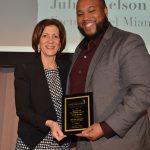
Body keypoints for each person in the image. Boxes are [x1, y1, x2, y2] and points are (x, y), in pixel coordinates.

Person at [66, 0, 150, 150]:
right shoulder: (80, 50)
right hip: (84, 144)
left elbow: (144, 91)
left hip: (121, 144)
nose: (85, 17)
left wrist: (106, 127)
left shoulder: (128, 41)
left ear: (105, 11)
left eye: (91, 11)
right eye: (80, 14)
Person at [14, 18, 71, 149]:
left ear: (60, 43)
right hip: (35, 140)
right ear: (38, 41)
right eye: (45, 36)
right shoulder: (25, 69)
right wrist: (50, 123)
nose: (50, 40)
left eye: (55, 36)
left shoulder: (68, 68)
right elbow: (22, 110)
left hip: (61, 139)